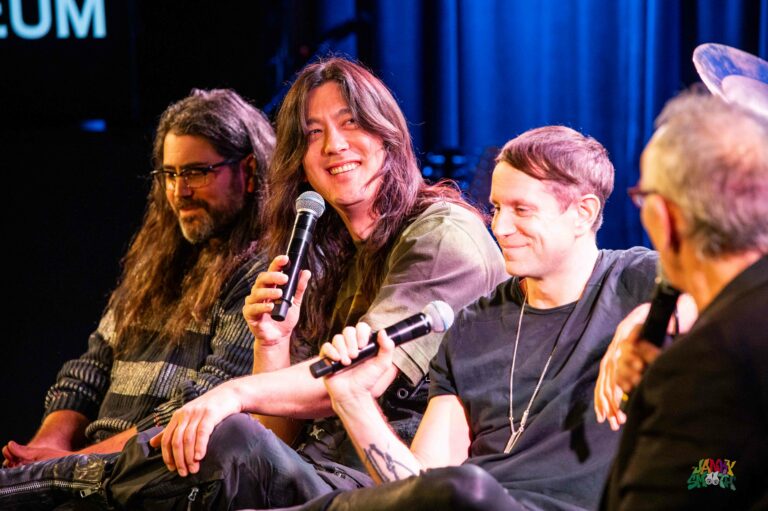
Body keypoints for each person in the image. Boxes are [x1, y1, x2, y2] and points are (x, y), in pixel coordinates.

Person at [90, 57, 508, 510]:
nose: (334, 145)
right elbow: (275, 433)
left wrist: (231, 393)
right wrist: (272, 341)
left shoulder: (443, 234)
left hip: (387, 481)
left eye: (352, 124)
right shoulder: (327, 255)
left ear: (387, 137)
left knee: (222, 439)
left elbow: (364, 373)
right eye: (313, 133)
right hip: (319, 474)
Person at [285, 125, 660, 511]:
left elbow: (718, 297)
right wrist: (352, 399)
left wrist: (643, 320)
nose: (500, 227)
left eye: (522, 210)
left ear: (583, 213)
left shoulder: (640, 280)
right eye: (497, 208)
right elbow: (421, 490)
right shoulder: (471, 327)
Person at [0, 88, 275, 506]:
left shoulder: (262, 270)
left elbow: (204, 403)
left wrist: (60, 466)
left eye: (197, 172)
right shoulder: (155, 261)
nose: (179, 191)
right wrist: (43, 449)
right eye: (169, 174)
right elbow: (89, 368)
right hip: (87, 469)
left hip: (158, 473)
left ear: (249, 171)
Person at [600, 90, 768, 509]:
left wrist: (656, 404)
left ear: (665, 218)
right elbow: (724, 472)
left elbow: (687, 491)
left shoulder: (709, 362)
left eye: (643, 198)